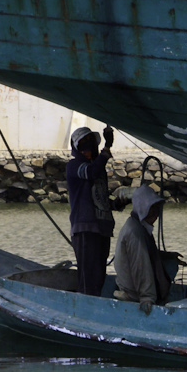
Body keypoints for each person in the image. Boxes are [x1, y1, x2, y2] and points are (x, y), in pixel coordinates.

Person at [66, 126, 115, 296]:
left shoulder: (98, 169)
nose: (89, 149)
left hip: (102, 229)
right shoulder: (74, 166)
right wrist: (107, 148)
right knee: (88, 280)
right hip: (86, 229)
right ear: (77, 149)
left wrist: (117, 203)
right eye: (84, 145)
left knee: (99, 277)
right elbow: (91, 173)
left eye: (91, 144)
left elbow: (100, 198)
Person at [113, 186, 179, 313]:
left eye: (157, 208)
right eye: (151, 208)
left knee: (171, 264)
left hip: (137, 285)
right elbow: (140, 265)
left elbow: (148, 252)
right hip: (133, 292)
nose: (156, 213)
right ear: (143, 208)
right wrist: (147, 298)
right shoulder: (135, 232)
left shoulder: (141, 226)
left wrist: (169, 256)